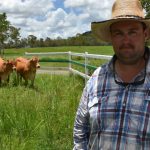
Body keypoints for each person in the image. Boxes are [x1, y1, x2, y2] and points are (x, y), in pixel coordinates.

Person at [73, 0, 150, 149]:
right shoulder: (96, 78)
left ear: (145, 34)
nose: (126, 40)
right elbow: (80, 130)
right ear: (111, 38)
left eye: (132, 32)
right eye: (118, 33)